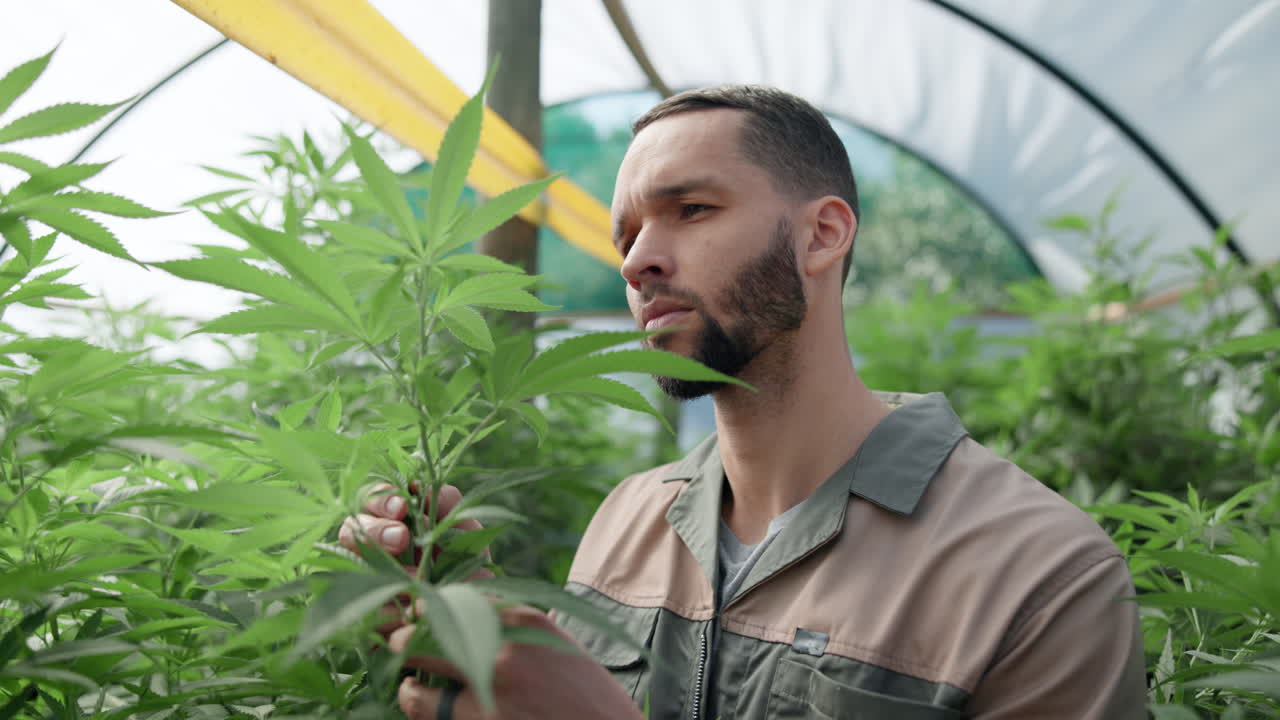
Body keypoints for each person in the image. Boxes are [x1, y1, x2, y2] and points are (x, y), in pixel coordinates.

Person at [340, 85, 1149, 719]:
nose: (637, 263)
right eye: (626, 238)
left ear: (823, 235)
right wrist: (473, 627)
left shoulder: (1038, 574)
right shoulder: (628, 520)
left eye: (691, 210)